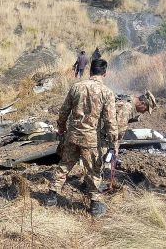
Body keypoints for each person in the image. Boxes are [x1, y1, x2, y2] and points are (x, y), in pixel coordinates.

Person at [48, 59, 119, 216]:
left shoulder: (76, 87)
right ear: (105, 73)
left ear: (89, 72)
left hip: (73, 135)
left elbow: (63, 112)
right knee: (93, 171)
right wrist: (113, 143)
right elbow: (110, 121)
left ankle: (51, 197)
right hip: (91, 140)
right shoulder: (107, 92)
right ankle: (94, 205)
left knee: (65, 165)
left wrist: (61, 129)